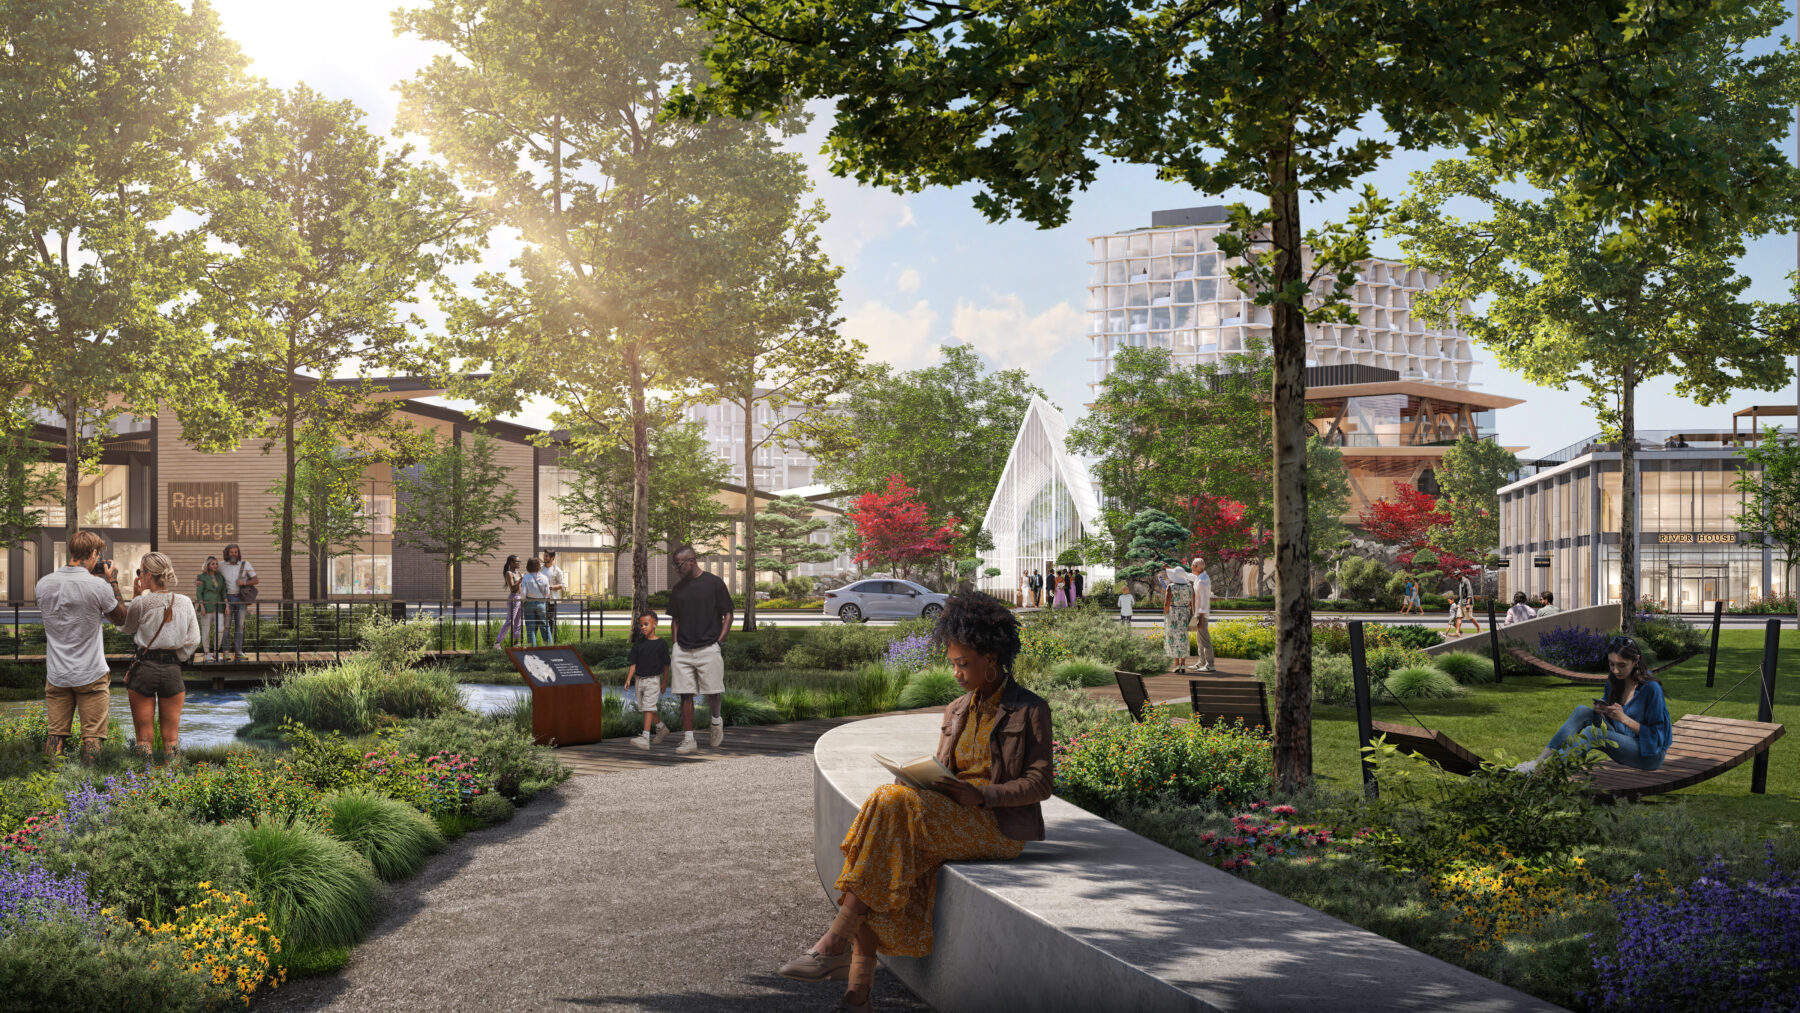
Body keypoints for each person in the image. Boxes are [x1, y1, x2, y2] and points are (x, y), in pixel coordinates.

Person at [777, 593, 1051, 1012]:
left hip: (996, 826)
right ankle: (855, 997)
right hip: (947, 815)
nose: (956, 673)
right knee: (890, 841)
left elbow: (1040, 782)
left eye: (965, 664)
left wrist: (983, 795)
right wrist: (926, 780)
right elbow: (944, 769)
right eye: (953, 663)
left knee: (889, 813)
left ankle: (836, 944)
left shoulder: (1029, 709)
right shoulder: (957, 709)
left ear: (992, 658)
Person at [1514, 636, 1670, 775]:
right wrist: (1602, 710)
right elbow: (1609, 712)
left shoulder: (1650, 689)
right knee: (1582, 710)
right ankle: (1537, 763)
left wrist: (1624, 719)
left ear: (1636, 660)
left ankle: (1543, 772)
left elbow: (1658, 738)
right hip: (1622, 741)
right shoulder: (1615, 681)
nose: (1615, 670)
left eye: (1622, 665)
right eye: (1611, 664)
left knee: (1592, 733)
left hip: (1649, 754)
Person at [37, 530, 127, 761]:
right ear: (94, 553)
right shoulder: (98, 587)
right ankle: (91, 787)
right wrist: (113, 580)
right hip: (91, 673)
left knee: (55, 734)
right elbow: (120, 619)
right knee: (92, 737)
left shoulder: (43, 584)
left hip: (57, 673)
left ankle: (49, 781)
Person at [121, 552, 201, 761]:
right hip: (172, 670)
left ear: (147, 575)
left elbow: (126, 628)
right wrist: (177, 657)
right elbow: (194, 640)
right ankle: (173, 782)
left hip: (144, 668)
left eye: (140, 572)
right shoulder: (184, 602)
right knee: (171, 738)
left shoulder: (142, 603)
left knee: (144, 738)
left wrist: (136, 597)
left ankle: (142, 780)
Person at [666, 544, 733, 755]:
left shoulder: (714, 584)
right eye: (674, 565)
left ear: (691, 561)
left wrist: (719, 641)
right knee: (685, 695)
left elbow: (728, 614)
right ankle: (689, 739)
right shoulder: (678, 589)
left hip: (708, 648)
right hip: (683, 650)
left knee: (713, 691)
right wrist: (676, 644)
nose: (676, 569)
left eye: (678, 565)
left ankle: (716, 722)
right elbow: (675, 619)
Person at [624, 610, 673, 750]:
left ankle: (645, 738)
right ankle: (661, 728)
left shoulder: (661, 644)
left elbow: (666, 665)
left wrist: (664, 682)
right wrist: (628, 679)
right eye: (641, 625)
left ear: (655, 624)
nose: (643, 627)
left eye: (646, 624)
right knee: (646, 708)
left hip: (653, 680)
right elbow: (633, 662)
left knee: (648, 707)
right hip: (639, 680)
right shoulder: (639, 643)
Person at [218, 543, 257, 661]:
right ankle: (226, 651)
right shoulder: (221, 565)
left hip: (241, 598)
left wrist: (244, 583)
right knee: (226, 626)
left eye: (236, 552)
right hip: (227, 600)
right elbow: (208, 572)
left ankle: (238, 651)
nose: (234, 554)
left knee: (239, 626)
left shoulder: (246, 564)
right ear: (227, 553)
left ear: (238, 553)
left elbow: (256, 579)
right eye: (231, 552)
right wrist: (199, 580)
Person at [1162, 560, 1195, 673]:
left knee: (1174, 638)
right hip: (1185, 612)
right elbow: (1191, 602)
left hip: (1173, 614)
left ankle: (1176, 665)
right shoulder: (1189, 586)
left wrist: (1165, 613)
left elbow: (1167, 603)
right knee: (1183, 638)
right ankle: (1183, 665)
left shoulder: (1171, 587)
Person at [194, 556, 228, 663]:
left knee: (220, 629)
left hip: (219, 607)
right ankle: (207, 653)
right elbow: (199, 593)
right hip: (206, 607)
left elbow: (224, 592)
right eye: (212, 564)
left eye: (216, 564)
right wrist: (202, 607)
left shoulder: (220, 577)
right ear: (208, 565)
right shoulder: (202, 577)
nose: (215, 566)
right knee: (206, 630)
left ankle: (216, 652)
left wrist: (227, 605)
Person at [1189, 556, 1216, 673]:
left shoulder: (1202, 580)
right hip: (1197, 614)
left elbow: (1204, 600)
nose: (1191, 567)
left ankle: (1210, 665)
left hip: (1201, 614)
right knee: (1199, 639)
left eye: (1192, 565)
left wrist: (1201, 617)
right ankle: (1201, 662)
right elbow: (1188, 576)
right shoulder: (1199, 577)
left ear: (1197, 567)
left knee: (1205, 640)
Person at [494, 555, 524, 648]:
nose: (519, 563)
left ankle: (516, 642)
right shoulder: (509, 573)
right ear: (511, 563)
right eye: (517, 561)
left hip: (520, 597)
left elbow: (521, 587)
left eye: (520, 561)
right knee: (509, 621)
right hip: (513, 598)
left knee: (518, 622)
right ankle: (497, 642)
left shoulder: (518, 573)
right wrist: (521, 579)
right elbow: (512, 587)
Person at [520, 557, 551, 646]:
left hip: (529, 602)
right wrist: (543, 599)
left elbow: (523, 593)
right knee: (545, 625)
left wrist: (523, 602)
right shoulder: (544, 577)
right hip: (541, 602)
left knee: (530, 626)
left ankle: (532, 647)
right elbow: (547, 593)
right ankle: (549, 646)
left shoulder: (526, 577)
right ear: (538, 566)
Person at [540, 549, 565, 644]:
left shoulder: (557, 570)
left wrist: (550, 587)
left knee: (550, 621)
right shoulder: (540, 569)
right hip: (540, 599)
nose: (544, 557)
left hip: (551, 600)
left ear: (552, 557)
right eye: (544, 555)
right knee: (540, 621)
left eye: (546, 556)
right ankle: (542, 642)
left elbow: (562, 585)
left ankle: (549, 643)